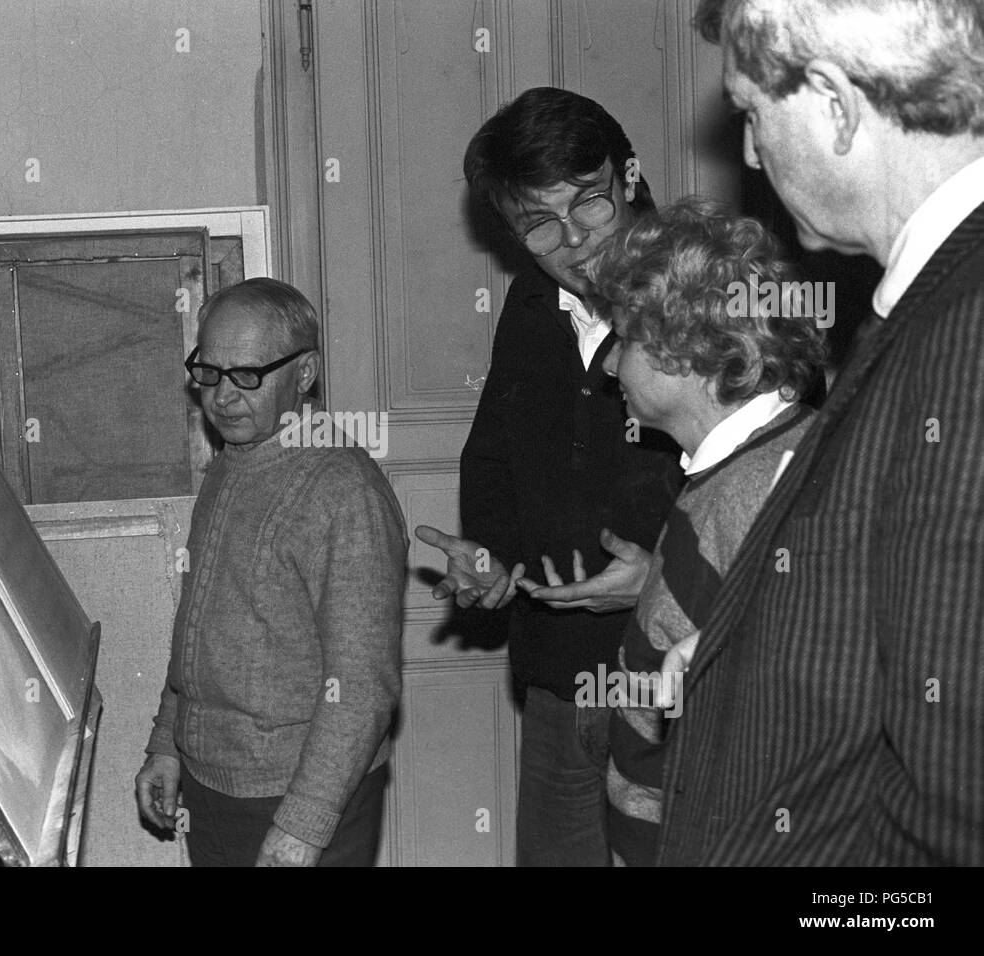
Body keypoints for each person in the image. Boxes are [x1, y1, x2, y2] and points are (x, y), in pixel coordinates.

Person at [654, 0, 984, 865]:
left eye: (754, 115)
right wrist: (742, 645)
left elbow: (953, 805)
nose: (752, 153)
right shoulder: (928, 297)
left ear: (835, 103)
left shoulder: (965, 328)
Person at [415, 88, 684, 866]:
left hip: (680, 678)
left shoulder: (708, 294)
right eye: (537, 222)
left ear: (627, 178)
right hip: (561, 677)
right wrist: (490, 559)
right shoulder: (534, 299)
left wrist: (664, 581)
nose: (571, 241)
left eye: (589, 206)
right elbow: (496, 453)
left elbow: (779, 489)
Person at [526, 198, 824, 865]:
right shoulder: (733, 474)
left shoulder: (764, 488)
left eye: (625, 339)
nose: (608, 367)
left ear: (685, 348)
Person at [135, 277, 407, 867]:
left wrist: (304, 827)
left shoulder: (343, 491)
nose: (223, 397)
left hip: (297, 797)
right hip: (213, 791)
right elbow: (197, 628)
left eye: (248, 375)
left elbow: (361, 688)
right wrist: (167, 745)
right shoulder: (229, 467)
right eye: (208, 372)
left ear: (304, 373)